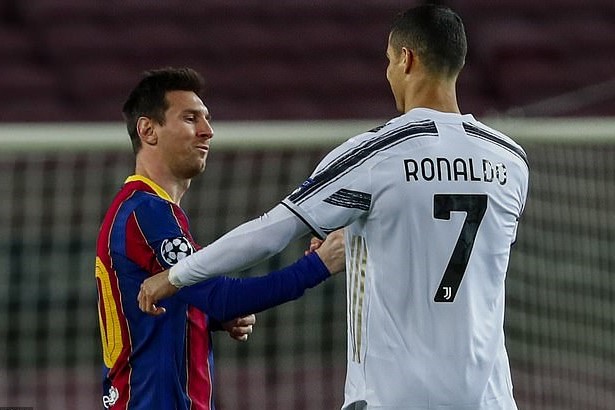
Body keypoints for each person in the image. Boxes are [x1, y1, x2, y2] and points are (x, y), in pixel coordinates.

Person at [139, 5, 529, 409]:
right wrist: (364, 233)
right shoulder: (510, 161)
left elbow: (272, 230)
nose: (389, 73)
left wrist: (178, 275)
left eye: (388, 61)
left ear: (406, 59)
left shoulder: (377, 153)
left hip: (396, 396)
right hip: (491, 397)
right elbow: (450, 244)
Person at [95, 67, 345, 409]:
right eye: (190, 118)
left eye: (207, 119)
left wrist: (207, 317)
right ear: (148, 130)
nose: (207, 131)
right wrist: (319, 265)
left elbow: (158, 306)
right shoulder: (146, 212)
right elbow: (223, 297)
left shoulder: (147, 211)